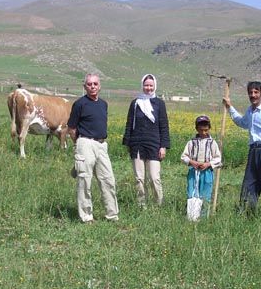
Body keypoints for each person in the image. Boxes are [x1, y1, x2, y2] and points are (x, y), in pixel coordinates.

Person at [223, 81, 261, 222]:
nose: (253, 95)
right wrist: (229, 107)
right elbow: (242, 122)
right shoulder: (250, 111)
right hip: (253, 151)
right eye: (250, 92)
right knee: (249, 185)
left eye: (256, 92)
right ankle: (249, 217)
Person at [67, 73, 119, 223]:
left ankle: (112, 215)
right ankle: (86, 216)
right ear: (84, 87)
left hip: (102, 145)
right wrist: (78, 145)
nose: (92, 86)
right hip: (85, 143)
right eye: (89, 84)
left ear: (100, 86)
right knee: (85, 180)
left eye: (95, 84)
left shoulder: (103, 104)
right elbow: (71, 128)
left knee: (108, 180)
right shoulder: (79, 104)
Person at [123, 74, 170, 206]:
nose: (148, 88)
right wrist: (128, 143)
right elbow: (129, 123)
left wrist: (163, 146)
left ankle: (158, 204)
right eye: (146, 85)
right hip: (137, 144)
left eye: (151, 85)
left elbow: (164, 125)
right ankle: (141, 205)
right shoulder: (135, 103)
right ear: (142, 86)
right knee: (139, 178)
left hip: (154, 145)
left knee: (154, 178)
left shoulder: (160, 104)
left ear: (155, 86)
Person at [181, 115, 222, 218]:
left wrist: (208, 164)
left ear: (209, 128)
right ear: (197, 129)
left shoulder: (212, 143)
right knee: (192, 192)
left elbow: (218, 158)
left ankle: (203, 216)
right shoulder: (191, 142)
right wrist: (191, 162)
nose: (203, 133)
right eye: (201, 130)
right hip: (193, 171)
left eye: (205, 130)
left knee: (205, 193)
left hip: (207, 172)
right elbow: (183, 156)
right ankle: (192, 216)